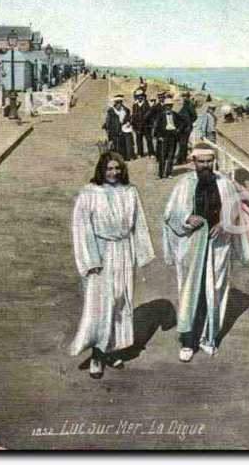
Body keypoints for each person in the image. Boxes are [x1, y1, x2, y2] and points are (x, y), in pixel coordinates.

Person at [162, 144, 249, 361]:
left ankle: (209, 338)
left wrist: (223, 224)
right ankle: (188, 341)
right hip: (191, 245)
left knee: (215, 289)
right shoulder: (184, 184)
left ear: (214, 162)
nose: (205, 165)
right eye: (200, 162)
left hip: (218, 245)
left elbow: (235, 214)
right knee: (189, 290)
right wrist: (186, 219)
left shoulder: (225, 183)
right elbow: (169, 214)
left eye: (208, 161)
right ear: (193, 162)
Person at [69, 152, 154, 378]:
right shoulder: (89, 193)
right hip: (101, 253)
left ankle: (113, 349)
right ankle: (97, 354)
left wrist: (141, 254)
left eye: (117, 168)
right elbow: (81, 227)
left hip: (124, 252)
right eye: (109, 169)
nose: (114, 173)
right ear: (101, 170)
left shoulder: (130, 192)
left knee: (121, 301)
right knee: (100, 305)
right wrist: (91, 261)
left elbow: (139, 224)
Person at [154, 97, 182, 179]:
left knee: (171, 155)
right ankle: (160, 174)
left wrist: (178, 130)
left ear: (172, 106)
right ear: (164, 106)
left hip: (173, 136)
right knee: (162, 156)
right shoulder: (161, 116)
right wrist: (159, 136)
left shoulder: (175, 114)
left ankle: (169, 173)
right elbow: (157, 127)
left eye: (170, 105)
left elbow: (181, 123)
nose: (168, 107)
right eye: (167, 106)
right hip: (164, 136)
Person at [176, 92, 197, 165]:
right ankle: (182, 159)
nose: (184, 98)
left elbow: (194, 116)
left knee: (183, 143)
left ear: (187, 97)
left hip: (186, 127)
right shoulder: (185, 104)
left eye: (185, 96)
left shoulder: (189, 104)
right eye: (183, 96)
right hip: (183, 126)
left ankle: (181, 160)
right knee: (183, 144)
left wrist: (189, 122)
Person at [131, 91, 150, 158]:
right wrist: (133, 125)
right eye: (138, 96)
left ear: (143, 96)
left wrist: (144, 118)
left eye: (141, 96)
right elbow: (133, 115)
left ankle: (151, 153)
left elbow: (148, 113)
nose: (139, 97)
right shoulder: (135, 105)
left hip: (145, 125)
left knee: (148, 139)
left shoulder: (146, 104)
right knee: (138, 139)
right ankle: (140, 153)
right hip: (138, 125)